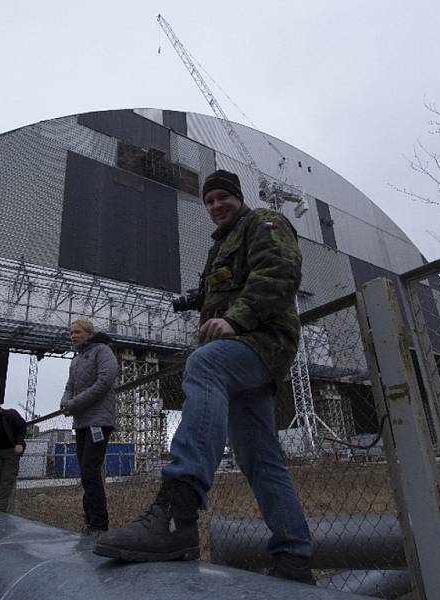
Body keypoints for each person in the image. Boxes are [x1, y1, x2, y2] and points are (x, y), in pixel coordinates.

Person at [94, 170, 315, 584]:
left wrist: (235, 318)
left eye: (222, 198)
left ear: (238, 196)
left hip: (263, 342)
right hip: (244, 355)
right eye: (209, 201)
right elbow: (227, 286)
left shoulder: (265, 222)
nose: (216, 207)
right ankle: (294, 557)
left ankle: (177, 512)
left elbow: (280, 273)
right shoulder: (221, 246)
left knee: (205, 364)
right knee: (259, 458)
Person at [60, 319, 118, 537]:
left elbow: (105, 381)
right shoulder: (75, 361)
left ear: (89, 334)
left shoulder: (102, 351)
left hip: (98, 421)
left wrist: (75, 404)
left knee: (90, 471)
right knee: (86, 472)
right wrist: (65, 402)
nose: (73, 336)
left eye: (77, 332)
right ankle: (90, 520)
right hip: (82, 422)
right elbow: (69, 387)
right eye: (71, 333)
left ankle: (99, 524)